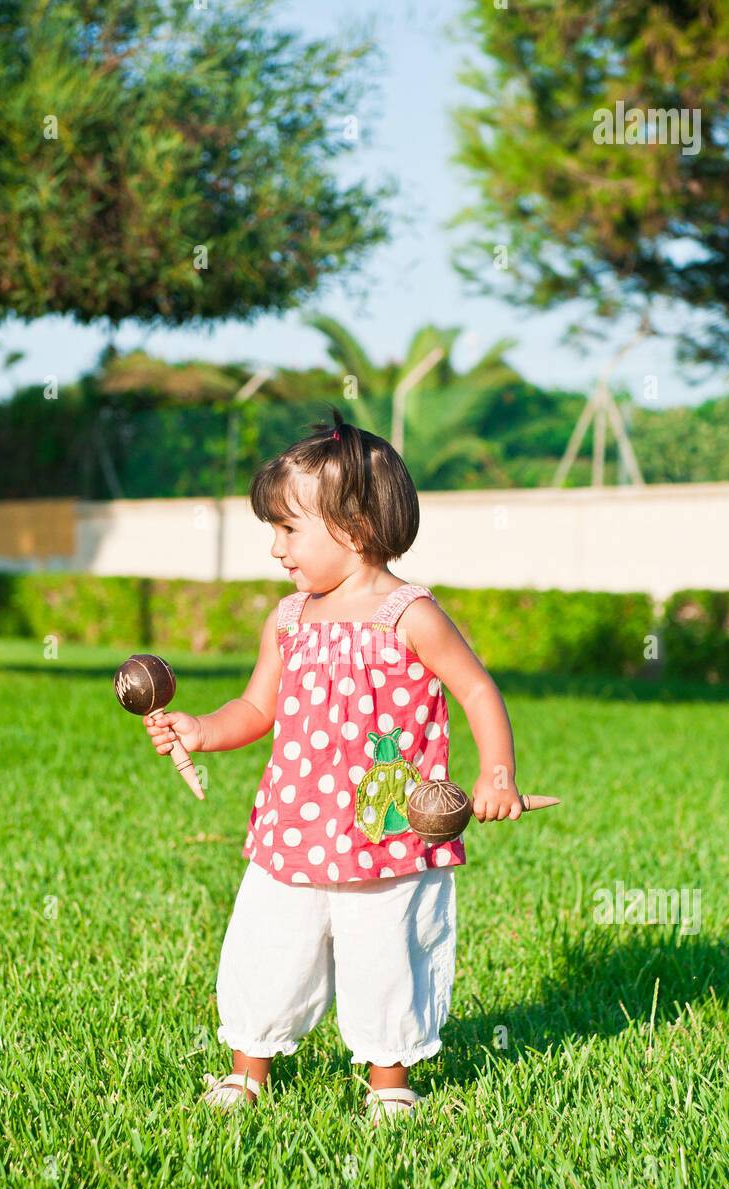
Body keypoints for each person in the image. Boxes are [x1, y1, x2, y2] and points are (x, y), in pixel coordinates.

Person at [144, 407, 523, 1125]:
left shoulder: (409, 613)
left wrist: (496, 773)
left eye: (289, 529)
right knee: (268, 944)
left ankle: (389, 1082)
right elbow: (256, 710)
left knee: (386, 952)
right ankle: (247, 1070)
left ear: (353, 528)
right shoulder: (288, 619)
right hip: (292, 828)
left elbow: (476, 687)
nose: (276, 549)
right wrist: (200, 728)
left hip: (386, 833)